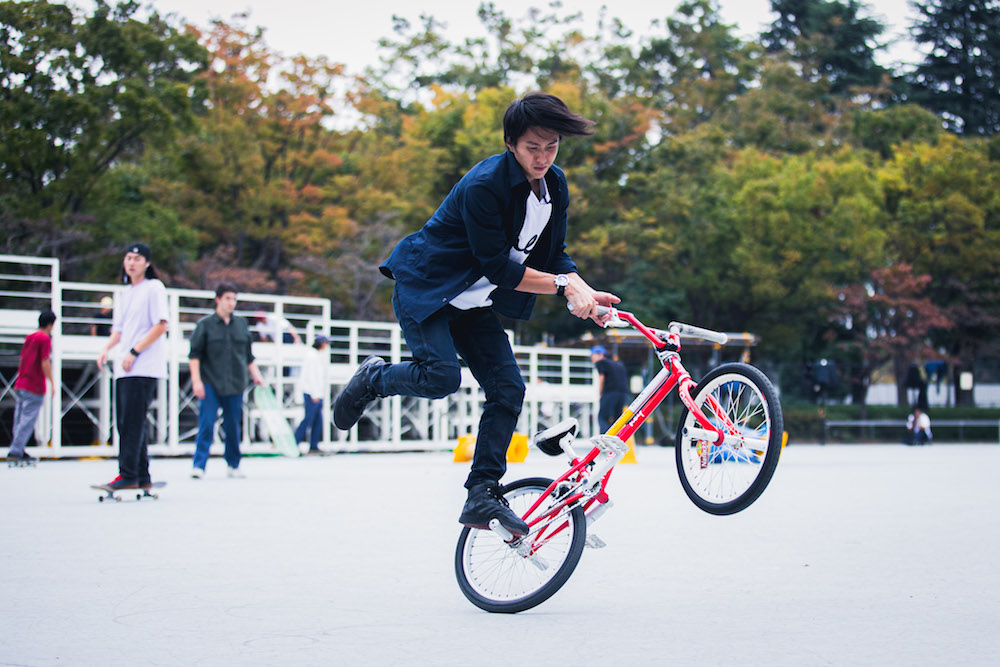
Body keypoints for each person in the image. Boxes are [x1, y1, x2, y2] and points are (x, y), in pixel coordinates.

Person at [334, 92, 619, 537]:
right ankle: (373, 378)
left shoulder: (555, 185)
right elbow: (498, 268)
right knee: (441, 377)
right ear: (510, 143)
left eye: (552, 147)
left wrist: (580, 292)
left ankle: (481, 491)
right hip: (427, 286)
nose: (542, 157)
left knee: (508, 388)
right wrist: (564, 286)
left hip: (473, 302)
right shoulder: (485, 184)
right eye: (532, 148)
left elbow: (555, 254)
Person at [96, 242, 169, 490]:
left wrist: (135, 351)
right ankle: (141, 475)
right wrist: (106, 349)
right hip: (124, 366)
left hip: (144, 365)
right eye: (128, 258)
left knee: (133, 422)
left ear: (147, 263)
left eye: (137, 259)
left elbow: (161, 325)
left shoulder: (153, 288)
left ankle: (127, 474)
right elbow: (118, 330)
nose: (131, 263)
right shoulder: (124, 293)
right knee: (126, 422)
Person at [188, 284, 265, 478]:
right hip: (210, 381)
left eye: (234, 299)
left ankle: (233, 464)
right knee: (207, 423)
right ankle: (199, 465)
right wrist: (196, 381)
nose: (231, 303)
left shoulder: (241, 324)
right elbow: (194, 355)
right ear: (218, 299)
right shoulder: (205, 325)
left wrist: (256, 375)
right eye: (228, 298)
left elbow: (248, 355)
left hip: (236, 382)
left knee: (232, 425)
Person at [6, 310, 57, 464]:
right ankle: (16, 450)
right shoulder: (44, 338)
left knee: (20, 418)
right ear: (50, 324)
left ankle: (18, 448)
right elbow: (44, 361)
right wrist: (52, 382)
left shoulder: (30, 337)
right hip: (34, 384)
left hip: (22, 382)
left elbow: (23, 358)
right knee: (28, 419)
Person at [295, 335, 329, 455]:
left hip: (317, 394)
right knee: (308, 420)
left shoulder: (316, 355)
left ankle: (314, 446)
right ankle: (295, 443)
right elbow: (310, 376)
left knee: (318, 420)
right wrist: (315, 394)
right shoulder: (312, 356)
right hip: (311, 393)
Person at [591, 345, 630, 431]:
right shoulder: (618, 364)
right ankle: (616, 439)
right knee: (617, 419)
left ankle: (603, 441)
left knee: (602, 417)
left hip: (610, 392)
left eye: (592, 355)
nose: (591, 358)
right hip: (623, 393)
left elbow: (601, 377)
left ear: (600, 355)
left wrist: (600, 393)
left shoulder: (601, 362)